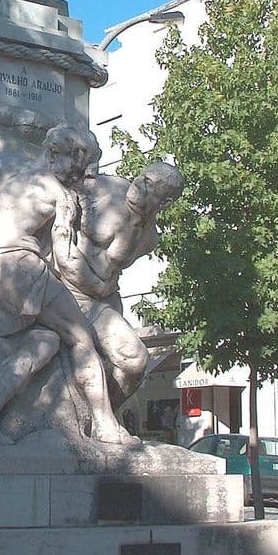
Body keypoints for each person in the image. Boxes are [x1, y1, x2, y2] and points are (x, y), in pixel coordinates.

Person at [0, 124, 129, 445]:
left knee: (35, 343)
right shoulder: (58, 195)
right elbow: (64, 260)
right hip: (18, 267)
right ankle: (105, 425)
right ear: (53, 156)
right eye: (78, 168)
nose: (82, 177)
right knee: (81, 339)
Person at [54, 161, 185, 408]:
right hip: (66, 289)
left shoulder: (149, 239)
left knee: (135, 363)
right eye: (142, 177)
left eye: (150, 185)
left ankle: (102, 415)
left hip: (102, 303)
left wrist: (105, 292)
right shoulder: (100, 189)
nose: (138, 185)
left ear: (164, 203)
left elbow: (110, 273)